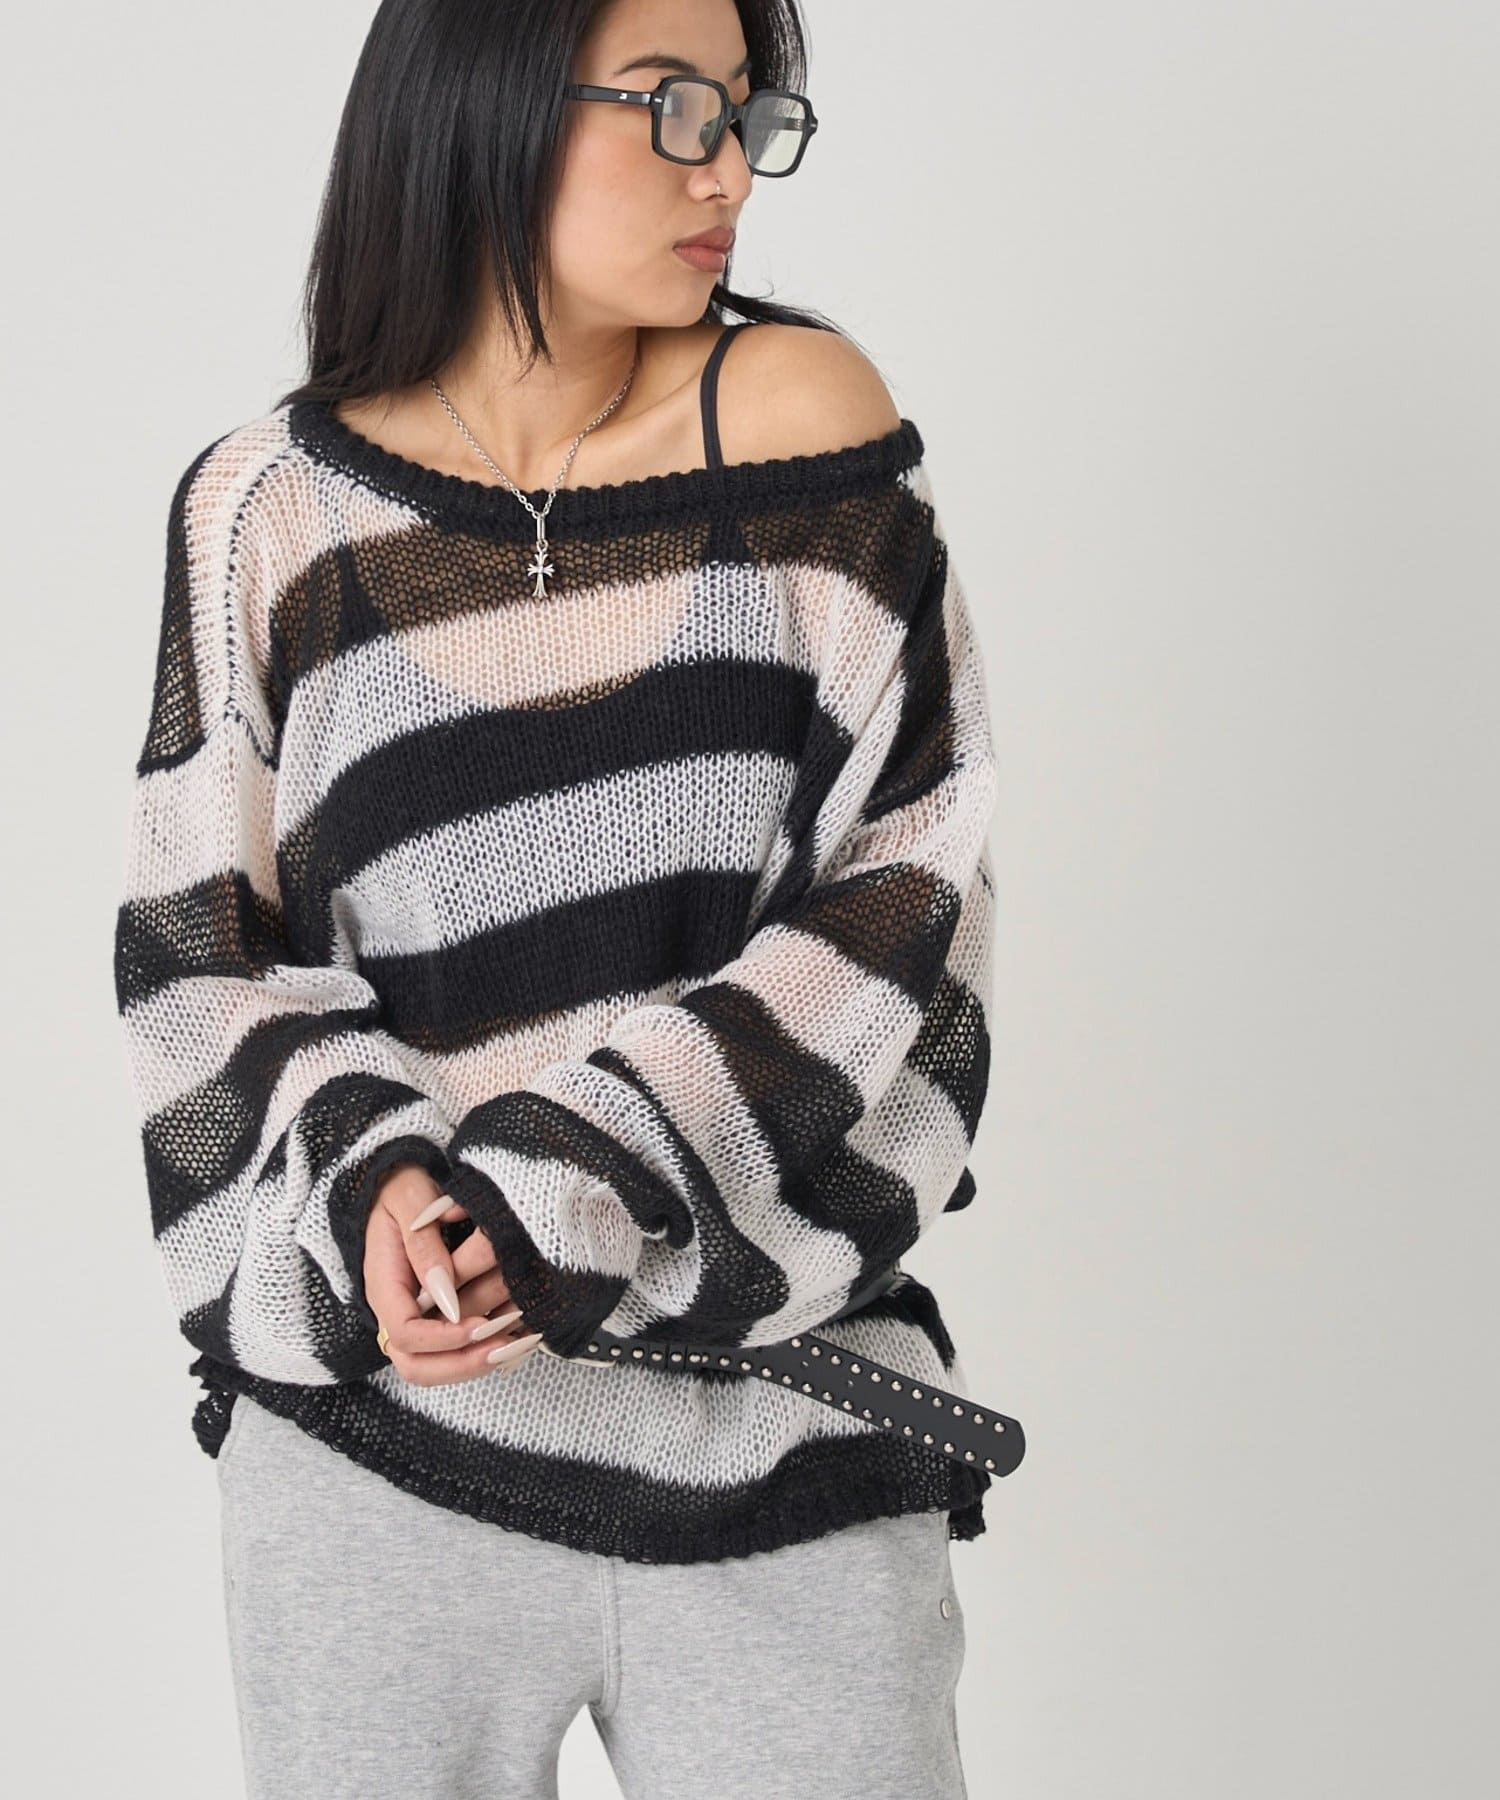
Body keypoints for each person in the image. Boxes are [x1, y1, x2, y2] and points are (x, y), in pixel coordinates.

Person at [113, 2, 1000, 1795]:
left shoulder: (803, 426)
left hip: (779, 1432)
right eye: (671, 108)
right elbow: (195, 951)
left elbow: (907, 898)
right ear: (487, 98)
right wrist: (374, 1190)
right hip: (386, 1457)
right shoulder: (266, 515)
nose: (727, 170)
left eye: (747, 112)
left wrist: (566, 1179)